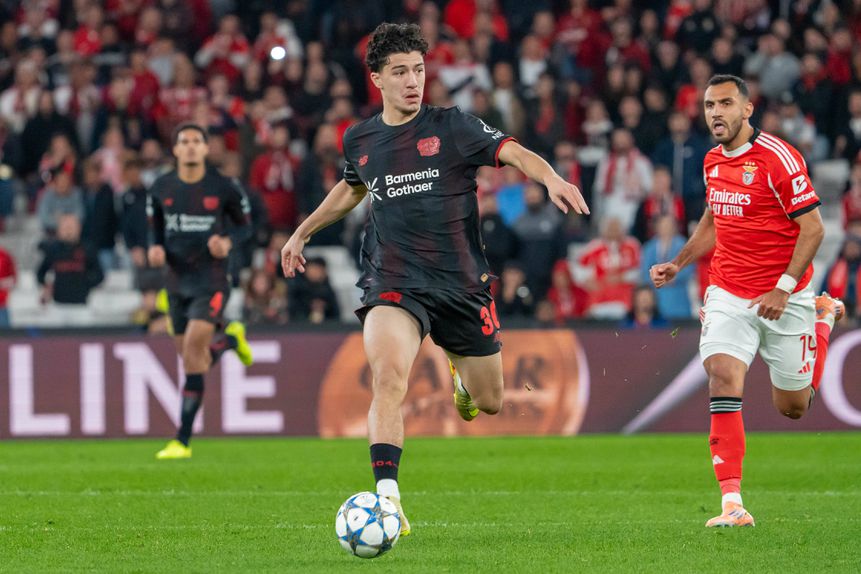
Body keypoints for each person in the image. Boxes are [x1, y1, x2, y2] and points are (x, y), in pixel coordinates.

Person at [280, 23, 588, 537]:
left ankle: (459, 373)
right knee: (388, 378)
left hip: (462, 286)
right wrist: (301, 233)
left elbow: (514, 152)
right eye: (400, 72)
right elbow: (352, 188)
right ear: (377, 78)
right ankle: (388, 500)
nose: (412, 81)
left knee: (490, 401)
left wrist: (551, 177)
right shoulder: (360, 139)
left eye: (419, 70)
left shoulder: (454, 126)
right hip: (394, 281)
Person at [650, 75, 844, 528]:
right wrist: (678, 262)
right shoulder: (713, 160)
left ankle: (822, 320)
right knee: (721, 375)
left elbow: (814, 228)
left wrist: (783, 286)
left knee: (793, 408)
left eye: (725, 104)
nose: (715, 113)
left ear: (747, 109)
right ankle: (732, 503)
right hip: (728, 291)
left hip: (788, 296)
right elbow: (713, 220)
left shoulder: (778, 159)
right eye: (708, 105)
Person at [147, 123, 255, 460]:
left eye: (197, 141)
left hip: (211, 278)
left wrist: (227, 241)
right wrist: (155, 250)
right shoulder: (161, 187)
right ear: (176, 150)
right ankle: (230, 341)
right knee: (194, 360)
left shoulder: (223, 186)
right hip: (177, 281)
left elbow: (246, 226)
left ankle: (182, 440)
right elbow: (156, 232)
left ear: (207, 149)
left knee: (194, 349)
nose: (191, 147)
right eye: (184, 142)